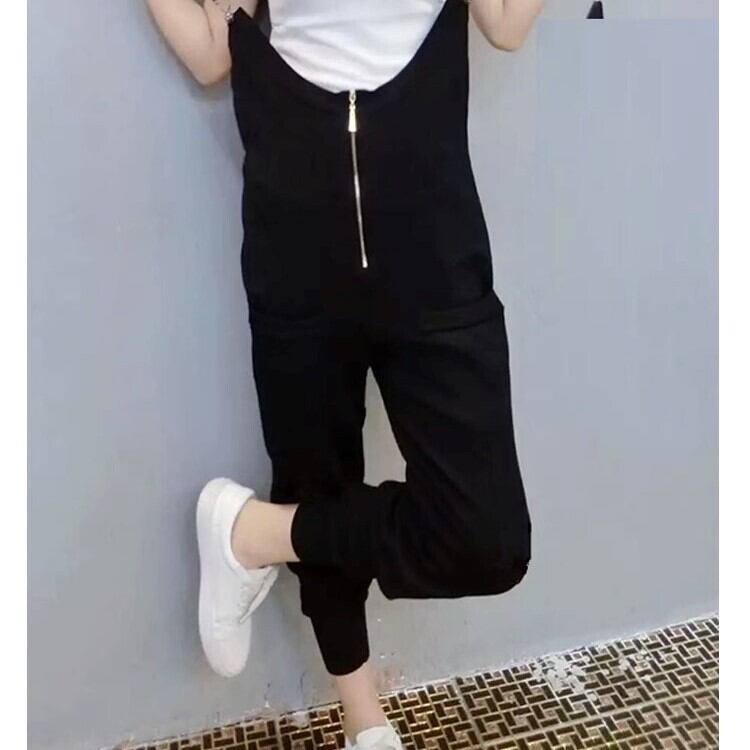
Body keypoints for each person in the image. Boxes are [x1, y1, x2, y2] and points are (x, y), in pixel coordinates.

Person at [145, 1, 544, 748]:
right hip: (296, 231)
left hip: (433, 242)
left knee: (488, 540)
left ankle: (251, 533)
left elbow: (506, 24)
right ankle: (365, 720)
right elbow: (210, 53)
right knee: (314, 472)